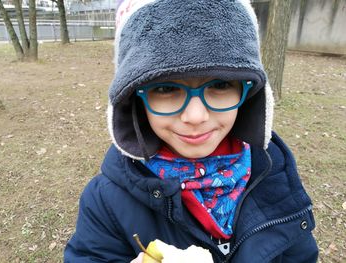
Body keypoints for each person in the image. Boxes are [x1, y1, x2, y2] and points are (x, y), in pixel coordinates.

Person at [64, 0, 319, 262]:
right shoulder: (106, 202)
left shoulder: (273, 173)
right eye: (165, 89)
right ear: (135, 99)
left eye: (220, 84)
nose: (195, 117)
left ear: (249, 92)